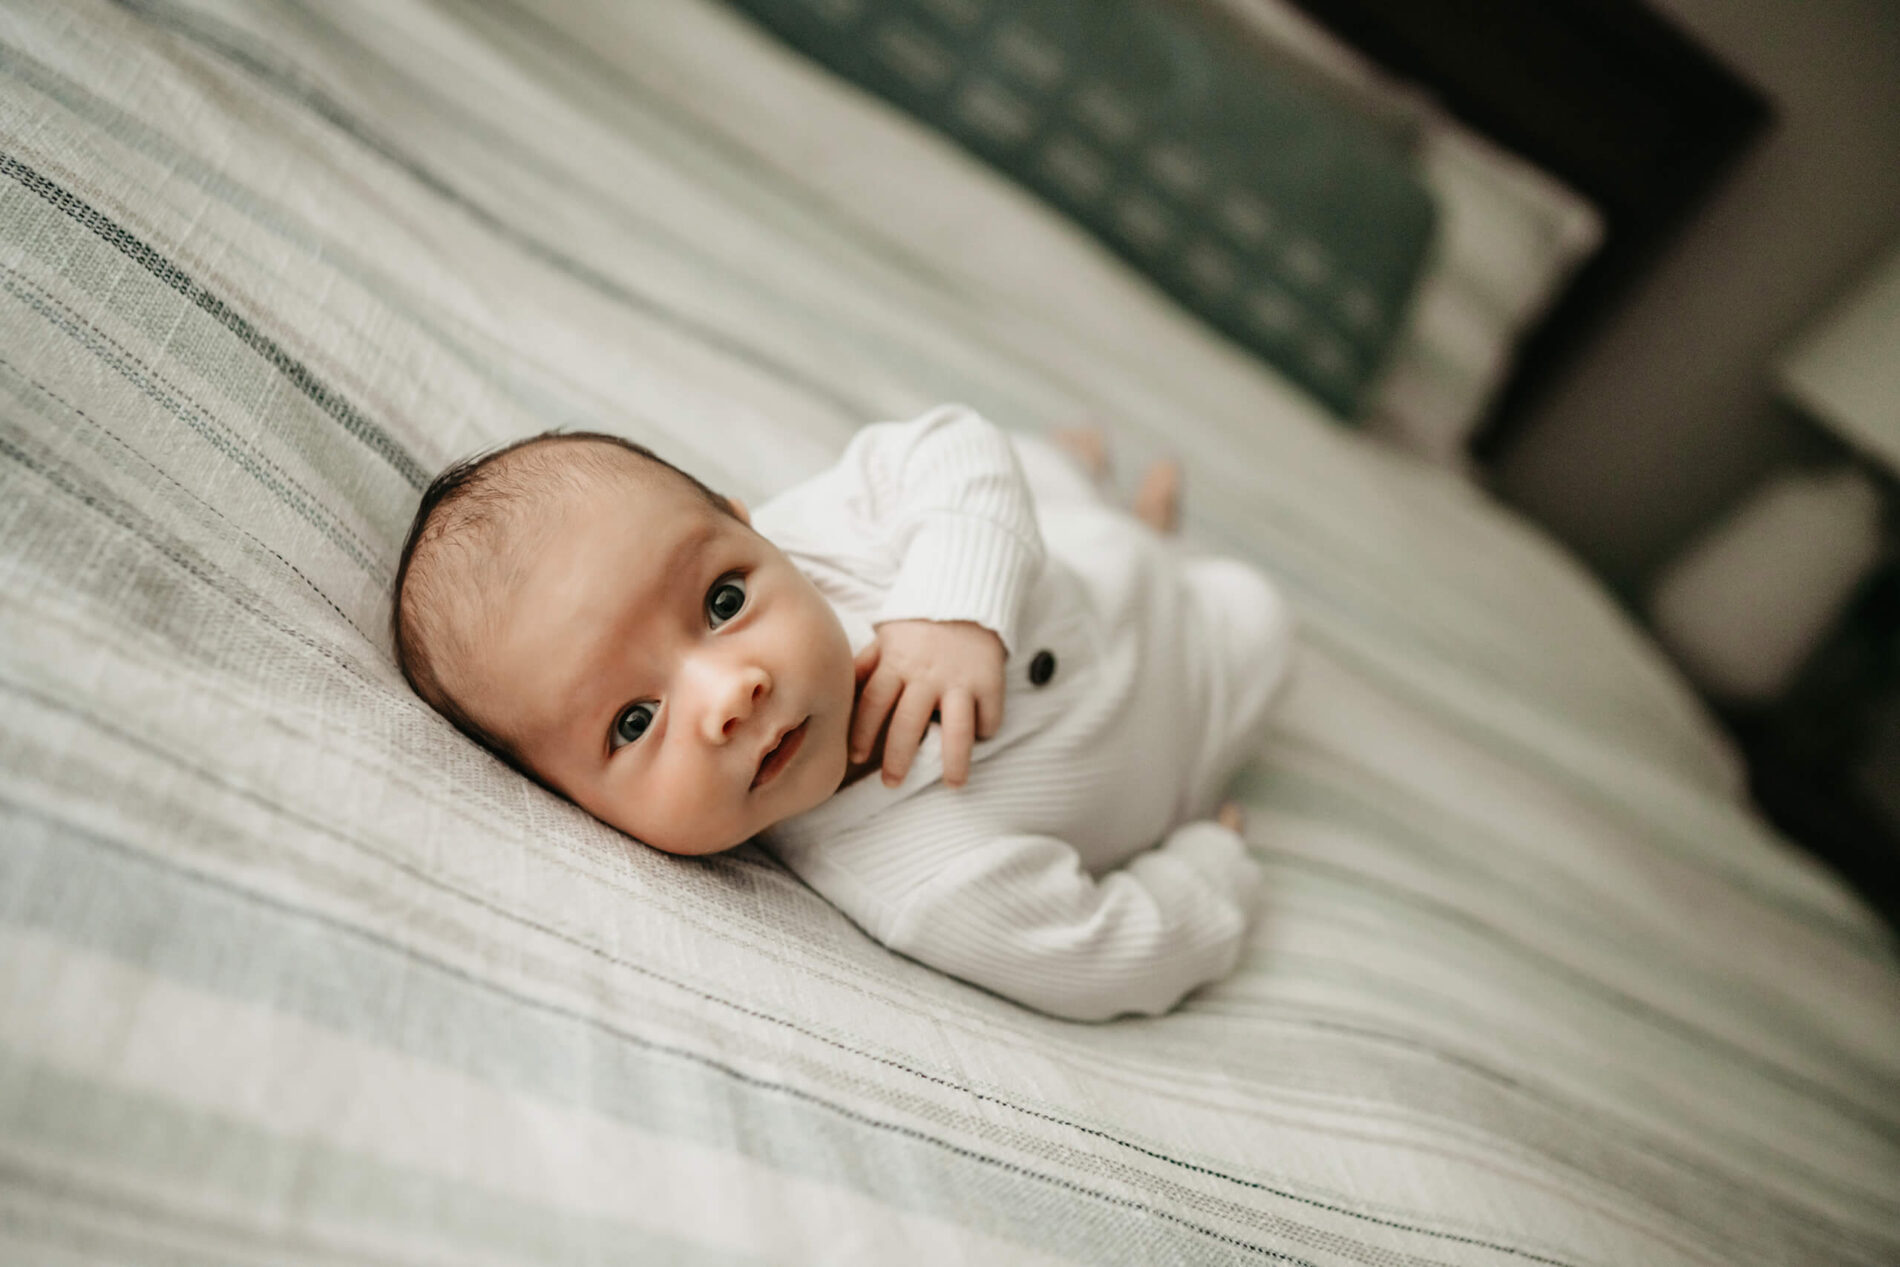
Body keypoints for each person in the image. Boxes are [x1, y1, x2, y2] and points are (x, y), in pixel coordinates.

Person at [392, 404, 1294, 1020]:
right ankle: (1153, 529)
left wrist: (954, 603)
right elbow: (1107, 954)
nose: (729, 695)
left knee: (1018, 472)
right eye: (634, 722)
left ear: (754, 528)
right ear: (574, 802)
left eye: (721, 602)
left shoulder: (823, 536)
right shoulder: (920, 882)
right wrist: (1210, 865)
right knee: (1265, 617)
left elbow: (952, 443)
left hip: (1063, 553)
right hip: (1199, 680)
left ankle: (1096, 490)